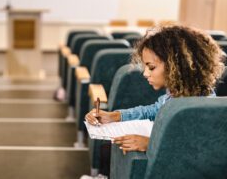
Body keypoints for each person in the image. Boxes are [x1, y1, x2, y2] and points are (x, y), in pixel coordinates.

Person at [85, 25, 225, 154]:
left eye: (151, 67)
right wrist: (115, 116)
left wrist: (151, 144)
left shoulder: (199, 106)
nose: (145, 73)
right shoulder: (176, 93)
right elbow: (154, 111)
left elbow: (197, 148)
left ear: (175, 67)